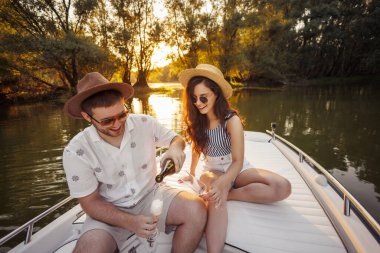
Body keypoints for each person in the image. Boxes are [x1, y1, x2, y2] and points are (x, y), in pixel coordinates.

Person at [62, 72, 207, 253]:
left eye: (122, 115)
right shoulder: (75, 151)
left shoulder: (144, 122)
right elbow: (90, 202)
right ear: (87, 117)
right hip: (108, 211)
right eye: (107, 121)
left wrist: (175, 148)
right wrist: (129, 221)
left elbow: (176, 139)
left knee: (197, 210)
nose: (117, 124)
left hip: (151, 195)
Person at [178, 64, 292, 253]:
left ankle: (230, 195)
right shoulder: (197, 121)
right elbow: (197, 151)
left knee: (282, 187)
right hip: (212, 169)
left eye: (203, 97)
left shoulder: (231, 120)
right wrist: (191, 174)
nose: (198, 103)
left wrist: (225, 184)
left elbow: (238, 161)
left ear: (216, 94)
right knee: (215, 194)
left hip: (236, 167)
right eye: (194, 98)